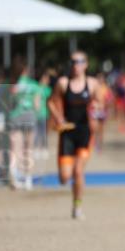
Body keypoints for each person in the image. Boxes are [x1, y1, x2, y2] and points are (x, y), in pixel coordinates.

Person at [48, 51, 106, 219]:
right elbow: (51, 102)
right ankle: (72, 190)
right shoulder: (63, 83)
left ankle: (77, 206)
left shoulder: (93, 84)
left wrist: (96, 110)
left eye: (80, 61)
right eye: (73, 62)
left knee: (78, 171)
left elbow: (101, 106)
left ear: (86, 64)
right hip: (67, 132)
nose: (76, 65)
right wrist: (58, 117)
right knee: (65, 178)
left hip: (85, 132)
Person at [7, 57, 40, 190]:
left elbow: (8, 103)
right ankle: (28, 179)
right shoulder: (34, 85)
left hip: (15, 116)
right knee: (29, 149)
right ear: (26, 70)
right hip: (29, 116)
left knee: (15, 149)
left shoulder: (12, 85)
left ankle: (14, 176)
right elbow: (37, 105)